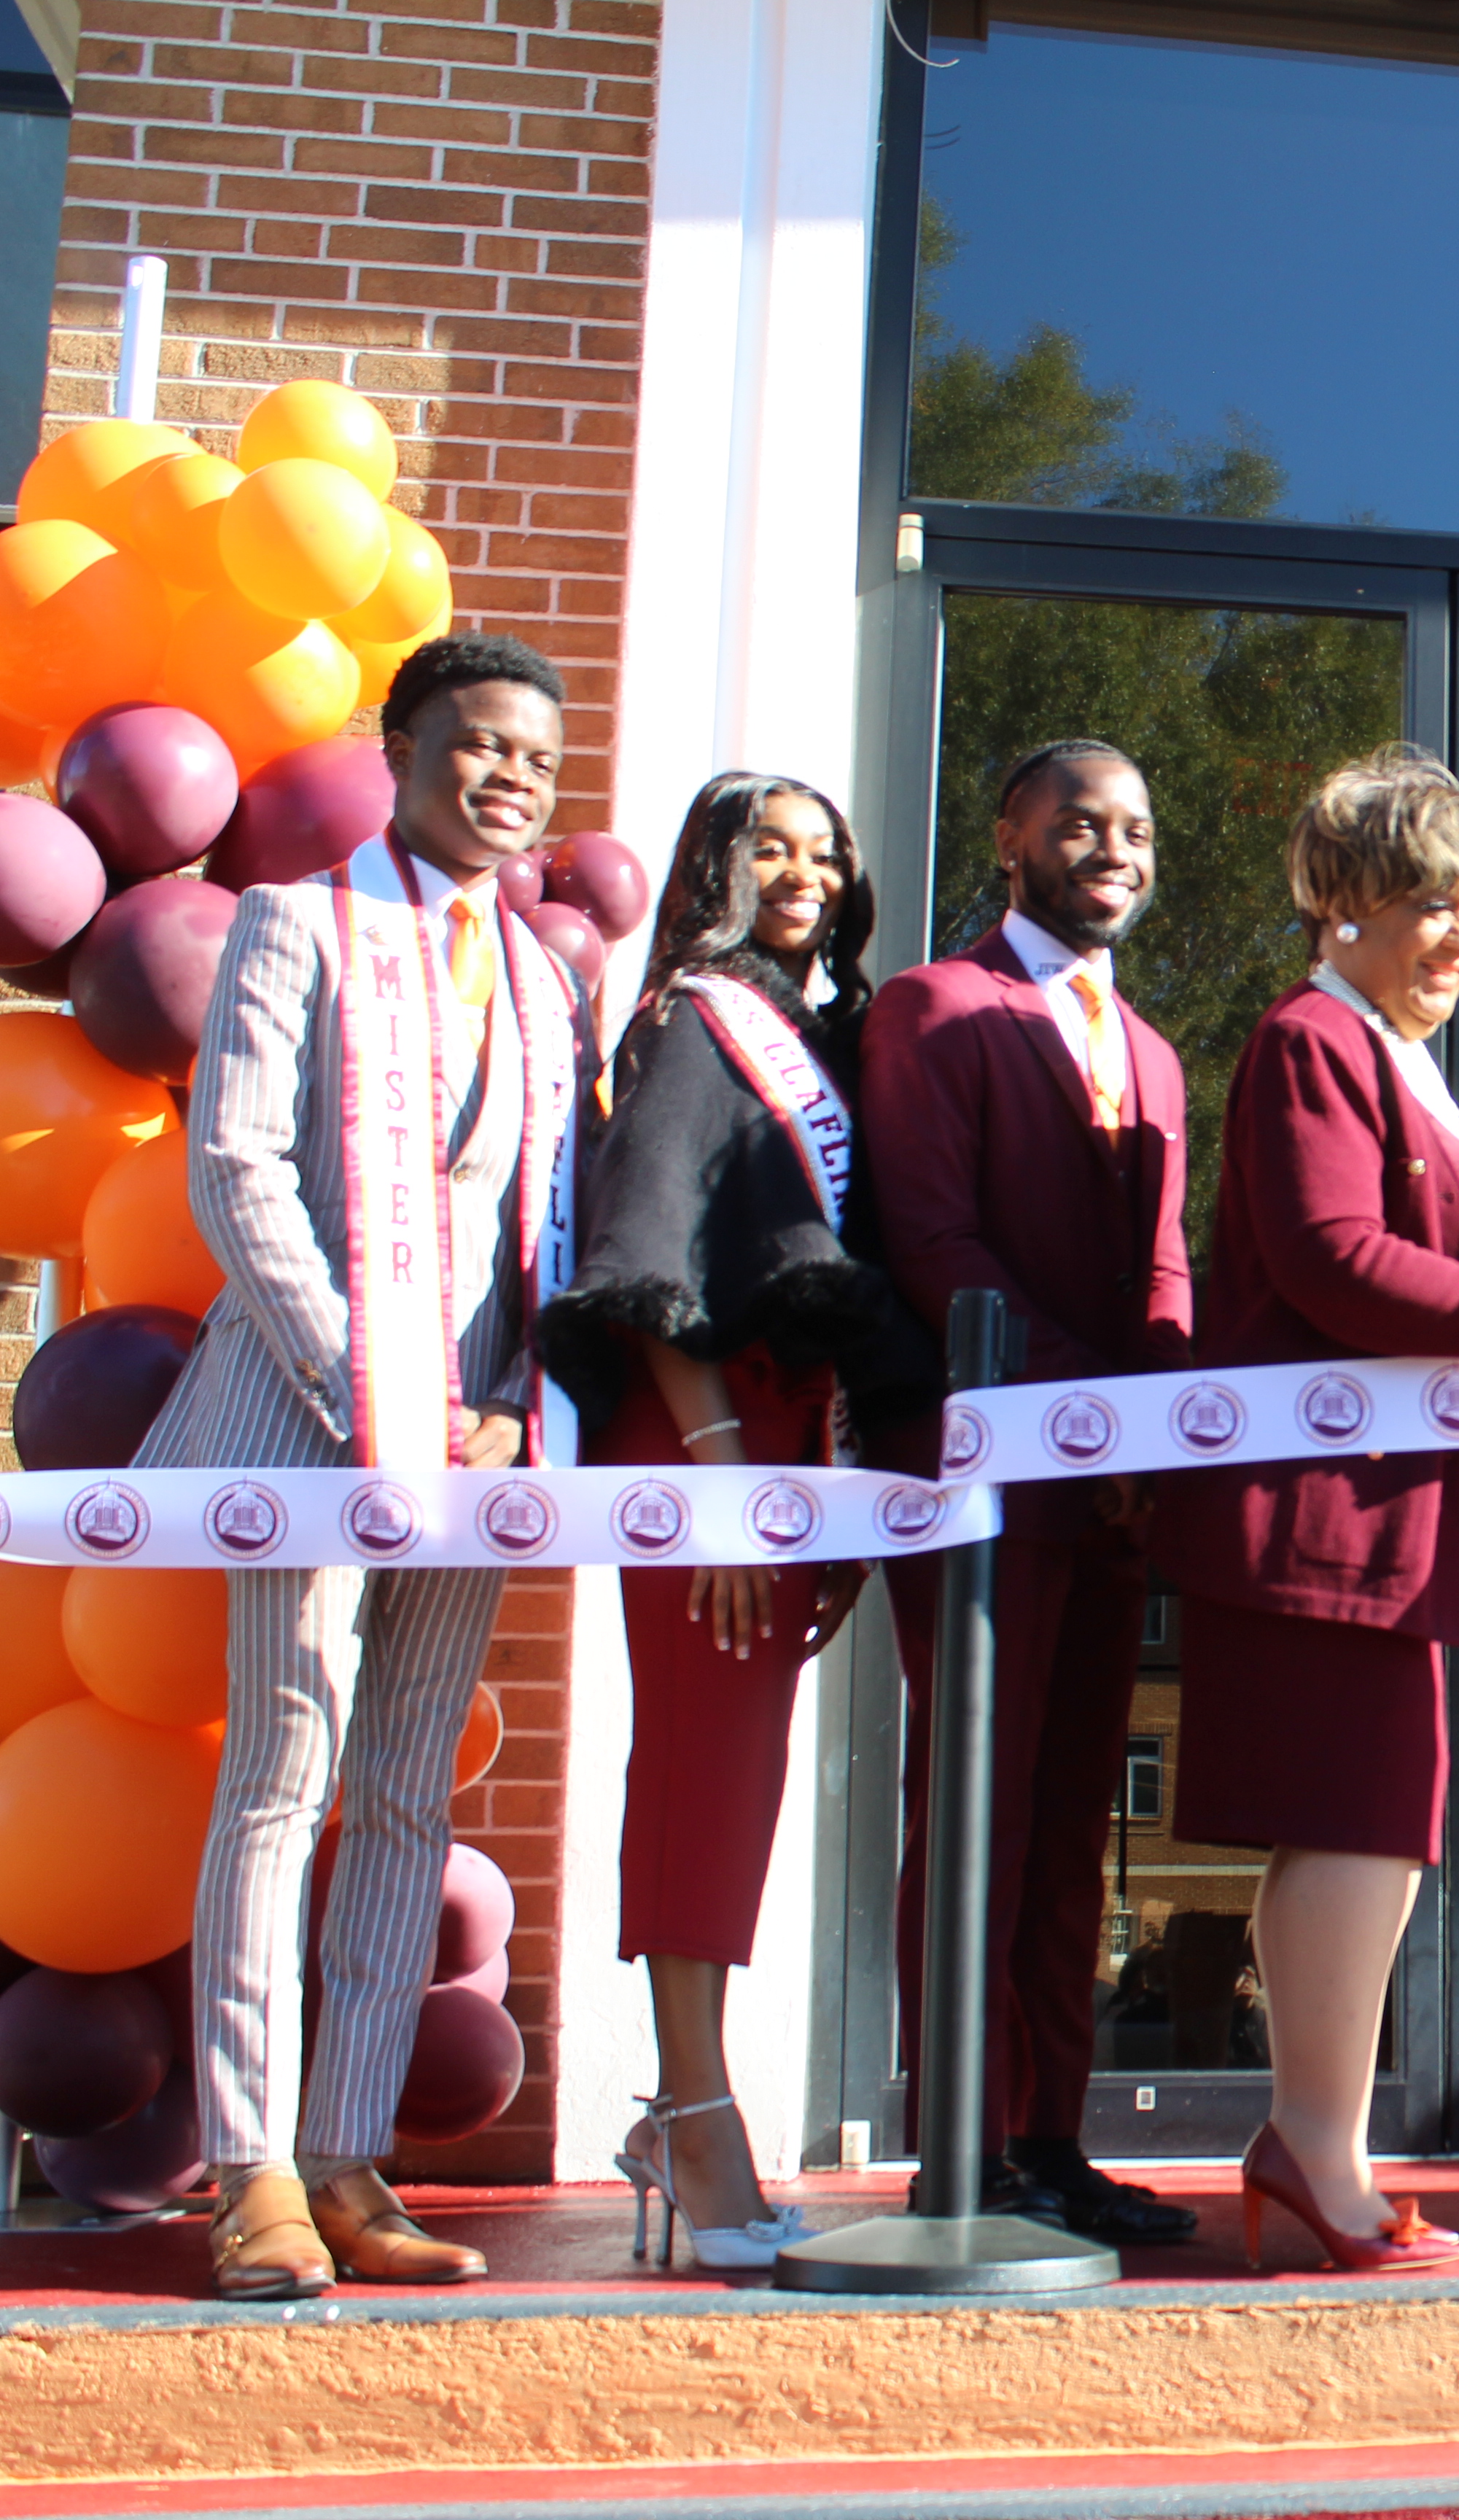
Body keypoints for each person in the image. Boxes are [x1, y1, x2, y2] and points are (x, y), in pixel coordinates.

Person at [145, 634, 596, 2300]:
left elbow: (558, 1230)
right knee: (283, 1772)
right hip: (314, 1418)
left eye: (536, 758)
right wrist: (367, 1380)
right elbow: (237, 1169)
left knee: (410, 1784)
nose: (509, 777)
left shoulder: (542, 979)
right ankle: (250, 2167)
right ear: (400, 750)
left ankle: (346, 2157)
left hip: (469, 1444)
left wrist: (519, 1403)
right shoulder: (297, 921)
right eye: (478, 744)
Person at [1147, 747, 1459, 2274]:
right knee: (1360, 1828)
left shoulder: (1402, 1063)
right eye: (1430, 902)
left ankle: (1315, 2149)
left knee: (1372, 1832)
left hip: (1393, 1515)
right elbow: (1331, 1255)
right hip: (1324, 1515)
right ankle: (1318, 2158)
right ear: (1337, 904)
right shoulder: (1311, 1039)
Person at [537, 772, 939, 2271]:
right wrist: (716, 1482)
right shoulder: (694, 1023)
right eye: (772, 846)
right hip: (701, 1432)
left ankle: (688, 2112)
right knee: (705, 1767)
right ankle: (694, 2113)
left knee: (746, 1773)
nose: (805, 874)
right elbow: (646, 1253)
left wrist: (818, 1505)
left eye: (826, 853)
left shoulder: (810, 1037)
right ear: (715, 862)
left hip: (775, 1449)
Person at [861, 736, 1197, 2247]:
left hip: (1116, 1497)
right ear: (1011, 835)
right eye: (1081, 823)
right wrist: (1083, 1422)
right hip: (986, 1483)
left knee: (1074, 1834)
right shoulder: (936, 1007)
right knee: (975, 1816)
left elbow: (1166, 1265)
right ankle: (962, 2145)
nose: (1113, 849)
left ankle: (1051, 2139)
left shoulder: (1157, 1054)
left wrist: (1155, 1434)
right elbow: (933, 1243)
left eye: (1137, 829)